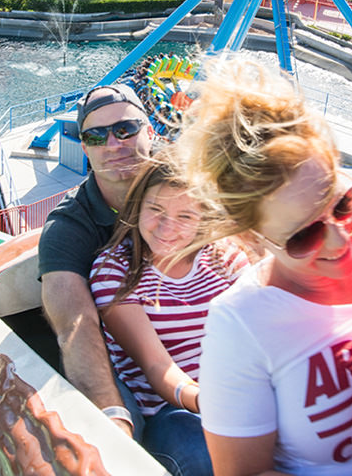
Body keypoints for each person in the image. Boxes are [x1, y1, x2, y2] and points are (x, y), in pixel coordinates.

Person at [174, 58, 352, 476]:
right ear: (253, 238)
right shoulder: (242, 325)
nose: (340, 238)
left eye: (344, 203)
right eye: (304, 236)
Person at [90, 156, 248, 476]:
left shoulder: (223, 257)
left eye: (185, 215)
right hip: (170, 411)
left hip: (234, 395)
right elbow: (157, 366)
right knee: (205, 456)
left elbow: (261, 328)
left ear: (203, 216)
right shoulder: (115, 272)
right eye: (156, 210)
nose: (166, 228)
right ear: (137, 207)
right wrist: (207, 403)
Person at [40, 84, 157, 438]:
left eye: (125, 130)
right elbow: (75, 325)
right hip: (121, 365)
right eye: (95, 136)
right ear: (85, 150)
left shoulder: (186, 186)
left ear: (150, 132)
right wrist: (112, 415)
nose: (113, 145)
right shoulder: (69, 227)